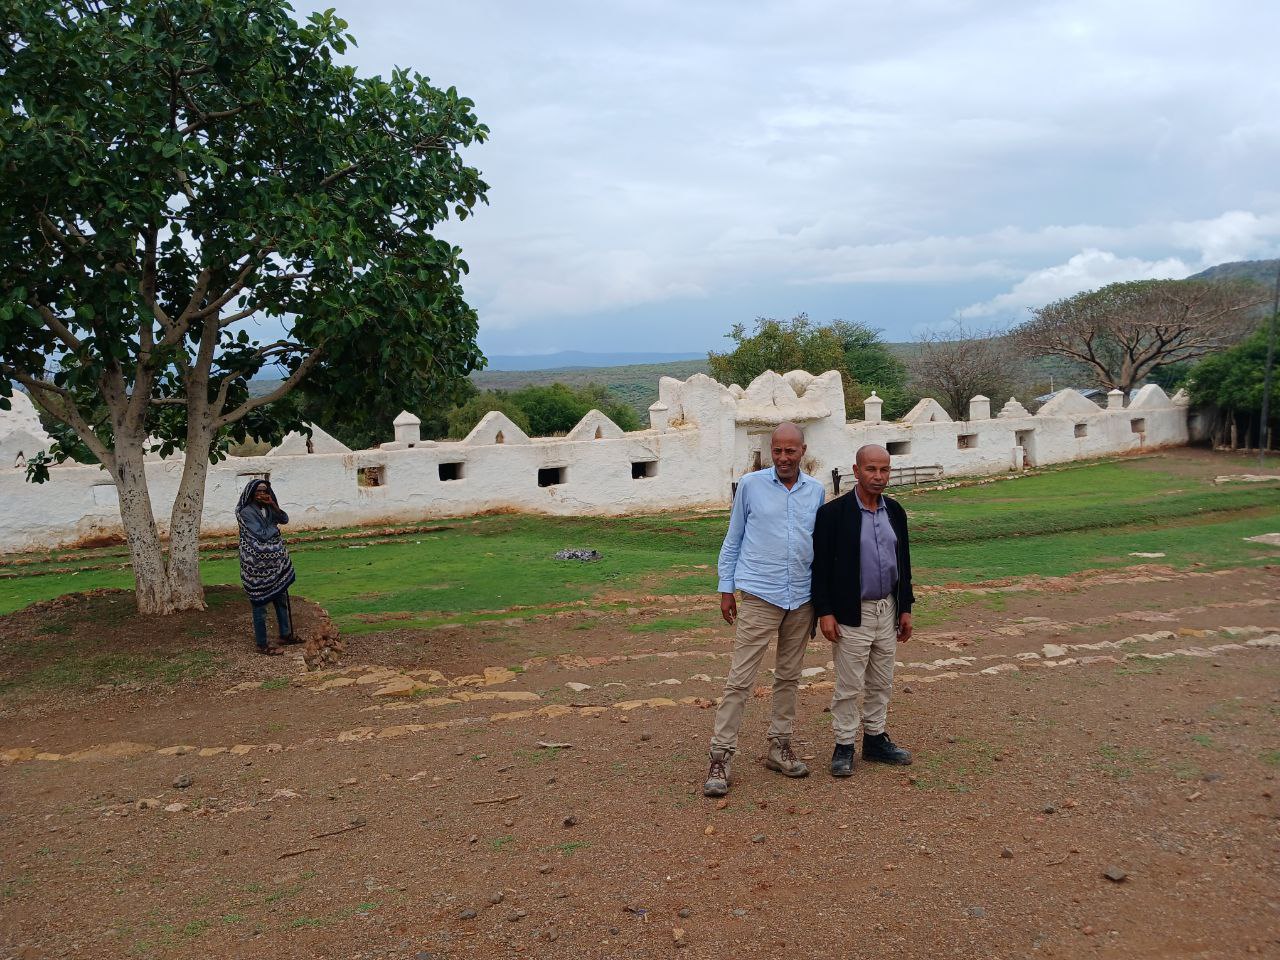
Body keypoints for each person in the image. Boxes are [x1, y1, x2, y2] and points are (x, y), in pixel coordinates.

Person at [703, 422, 825, 798]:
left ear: (803, 451)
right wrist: (726, 589)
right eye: (777, 451)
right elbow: (733, 538)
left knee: (789, 677)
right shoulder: (751, 486)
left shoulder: (816, 491)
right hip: (759, 594)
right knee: (740, 679)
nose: (784, 458)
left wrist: (822, 602)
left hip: (802, 599)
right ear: (769, 451)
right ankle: (721, 755)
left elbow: (819, 547)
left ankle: (779, 746)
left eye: (791, 451)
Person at [811, 443, 915, 776]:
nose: (878, 476)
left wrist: (906, 607)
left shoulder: (895, 512)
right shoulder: (834, 514)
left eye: (884, 470)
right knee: (849, 685)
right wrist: (825, 611)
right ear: (856, 471)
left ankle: (875, 739)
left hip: (887, 607)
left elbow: (904, 563)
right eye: (871, 469)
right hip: (850, 612)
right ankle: (843, 745)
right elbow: (821, 567)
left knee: (882, 680)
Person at [236, 478, 297, 655]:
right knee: (259, 603)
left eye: (265, 491)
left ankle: (285, 634)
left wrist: (274, 506)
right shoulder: (247, 512)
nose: (262, 494)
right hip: (256, 564)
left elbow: (284, 519)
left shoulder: (269, 507)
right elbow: (260, 535)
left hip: (276, 562)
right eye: (258, 492)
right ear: (251, 494)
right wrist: (275, 530)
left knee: (281, 599)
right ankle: (262, 644)